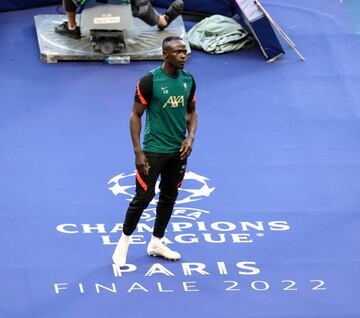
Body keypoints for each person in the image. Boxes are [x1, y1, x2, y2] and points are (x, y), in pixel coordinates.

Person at [112, 36, 197, 266]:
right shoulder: (149, 81)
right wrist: (138, 151)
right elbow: (135, 115)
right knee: (143, 197)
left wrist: (190, 138)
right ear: (165, 54)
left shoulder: (188, 80)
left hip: (177, 151)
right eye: (178, 52)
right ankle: (123, 243)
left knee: (170, 195)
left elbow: (192, 112)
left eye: (184, 52)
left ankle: (156, 242)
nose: (183, 56)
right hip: (153, 150)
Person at [55, 0, 184, 39]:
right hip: (127, 7)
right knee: (143, 7)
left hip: (117, 5)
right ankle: (162, 21)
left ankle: (72, 27)